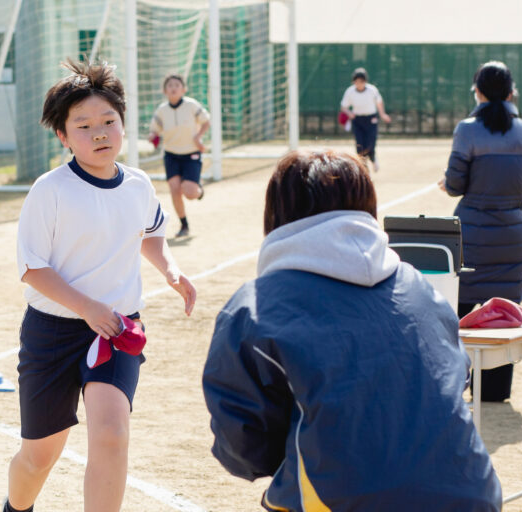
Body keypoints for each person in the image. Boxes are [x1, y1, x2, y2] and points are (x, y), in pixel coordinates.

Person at [202, 150, 501, 511]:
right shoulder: (418, 286)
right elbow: (456, 376)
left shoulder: (254, 306)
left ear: (277, 213)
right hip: (473, 496)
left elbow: (243, 444)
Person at [7, 59, 197, 512]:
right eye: (84, 125)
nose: (99, 133)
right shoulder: (49, 190)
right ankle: (15, 508)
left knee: (111, 436)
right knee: (39, 456)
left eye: (109, 121)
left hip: (116, 328)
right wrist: (88, 306)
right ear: (63, 136)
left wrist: (169, 269)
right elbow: (33, 269)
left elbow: (150, 234)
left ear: (123, 124)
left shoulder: (137, 184)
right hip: (52, 333)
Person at [439, 61, 522, 402]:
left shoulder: (467, 130)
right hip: (512, 234)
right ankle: (496, 389)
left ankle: (459, 381)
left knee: (461, 310)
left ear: (477, 92)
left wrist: (451, 184)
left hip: (471, 233)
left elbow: (455, 185)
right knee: (504, 311)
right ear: (512, 92)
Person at [148, 74, 210, 237]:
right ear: (164, 91)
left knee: (189, 193)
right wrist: (153, 136)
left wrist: (198, 137)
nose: (173, 87)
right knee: (175, 189)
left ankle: (198, 189)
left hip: (191, 154)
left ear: (184, 89)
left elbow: (206, 121)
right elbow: (155, 130)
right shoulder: (161, 110)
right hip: (171, 155)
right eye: (170, 85)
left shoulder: (191, 105)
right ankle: (184, 225)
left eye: (177, 85)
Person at [340, 67, 391, 172]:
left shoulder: (372, 90)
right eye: (356, 81)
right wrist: (349, 113)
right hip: (357, 120)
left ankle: (373, 158)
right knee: (359, 145)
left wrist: (383, 114)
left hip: (371, 119)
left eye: (361, 81)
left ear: (365, 81)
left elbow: (379, 102)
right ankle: (363, 169)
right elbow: (343, 107)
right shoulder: (350, 92)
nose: (359, 84)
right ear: (353, 81)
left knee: (370, 144)